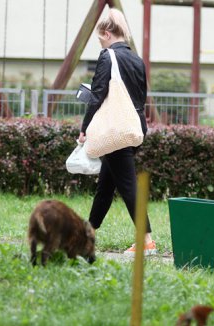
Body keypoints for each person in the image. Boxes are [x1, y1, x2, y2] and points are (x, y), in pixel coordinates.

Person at [78, 8, 156, 255]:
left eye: (101, 38)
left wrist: (84, 128)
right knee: (106, 186)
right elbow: (140, 98)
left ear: (108, 33)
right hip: (133, 128)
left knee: (128, 185)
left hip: (114, 131)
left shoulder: (107, 56)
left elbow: (98, 96)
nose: (101, 43)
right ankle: (88, 234)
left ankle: (147, 241)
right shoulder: (136, 60)